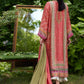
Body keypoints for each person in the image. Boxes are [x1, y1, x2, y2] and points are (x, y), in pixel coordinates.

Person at [30, 0, 73, 84]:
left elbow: (45, 20)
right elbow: (68, 22)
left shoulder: (49, 5)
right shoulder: (65, 6)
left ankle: (54, 78)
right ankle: (58, 80)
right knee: (60, 56)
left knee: (52, 56)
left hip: (51, 38)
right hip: (62, 39)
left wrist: (43, 36)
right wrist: (68, 37)